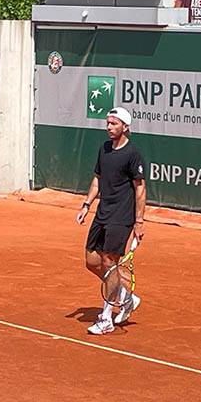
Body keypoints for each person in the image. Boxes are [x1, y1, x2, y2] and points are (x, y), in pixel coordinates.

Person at [75, 107, 147, 336]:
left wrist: (139, 221)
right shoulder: (104, 149)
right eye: (108, 123)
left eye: (114, 124)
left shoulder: (132, 154)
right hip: (102, 212)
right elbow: (97, 179)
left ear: (125, 127)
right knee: (91, 260)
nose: (109, 127)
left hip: (122, 216)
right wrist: (86, 205)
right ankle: (125, 297)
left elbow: (140, 188)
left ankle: (106, 318)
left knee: (108, 261)